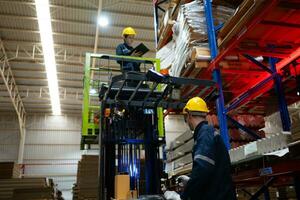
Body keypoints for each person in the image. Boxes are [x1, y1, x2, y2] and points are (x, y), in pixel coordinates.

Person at [165, 97, 236, 200]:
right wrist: (191, 181)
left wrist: (182, 197)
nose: (186, 121)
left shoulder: (204, 134)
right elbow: (209, 171)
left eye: (186, 117)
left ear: (188, 114)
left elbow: (202, 168)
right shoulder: (208, 133)